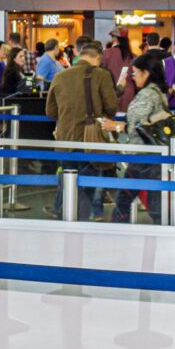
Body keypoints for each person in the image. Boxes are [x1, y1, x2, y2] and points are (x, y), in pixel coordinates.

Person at [45, 39, 118, 220]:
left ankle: (66, 215)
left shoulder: (60, 76)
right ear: (97, 58)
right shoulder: (101, 75)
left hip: (64, 138)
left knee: (68, 179)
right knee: (88, 183)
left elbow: (50, 111)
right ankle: (87, 218)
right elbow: (112, 107)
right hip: (90, 139)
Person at [101, 53, 168, 224]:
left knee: (131, 200)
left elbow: (138, 126)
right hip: (150, 155)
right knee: (146, 200)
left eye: (135, 72)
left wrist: (115, 126)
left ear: (146, 73)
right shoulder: (157, 92)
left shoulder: (147, 94)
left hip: (143, 156)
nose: (133, 77)